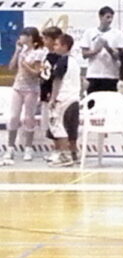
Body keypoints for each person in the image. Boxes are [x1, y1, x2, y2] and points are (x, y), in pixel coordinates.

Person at [2, 27, 46, 166]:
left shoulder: (38, 53)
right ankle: (10, 147)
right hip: (17, 87)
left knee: (28, 118)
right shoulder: (22, 51)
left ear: (31, 37)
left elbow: (37, 73)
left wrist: (26, 65)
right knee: (14, 117)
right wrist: (17, 52)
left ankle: (28, 148)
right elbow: (11, 67)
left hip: (31, 89)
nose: (21, 37)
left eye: (24, 35)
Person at [48, 34, 81, 168]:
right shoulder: (75, 62)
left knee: (59, 127)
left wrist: (53, 98)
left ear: (65, 46)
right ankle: (74, 154)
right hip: (74, 99)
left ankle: (65, 156)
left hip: (63, 99)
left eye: (56, 44)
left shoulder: (63, 61)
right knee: (71, 128)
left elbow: (57, 80)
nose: (54, 47)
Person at [80, 6, 123, 93]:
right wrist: (96, 50)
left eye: (111, 18)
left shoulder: (117, 34)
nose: (110, 20)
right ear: (100, 17)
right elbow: (84, 54)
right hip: (94, 74)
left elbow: (119, 56)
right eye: (107, 17)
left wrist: (108, 48)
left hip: (111, 75)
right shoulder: (89, 32)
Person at [38, 25, 63, 146]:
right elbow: (44, 75)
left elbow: (54, 78)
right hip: (45, 93)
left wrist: (52, 95)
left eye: (46, 39)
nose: (44, 41)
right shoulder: (47, 56)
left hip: (52, 95)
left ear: (54, 40)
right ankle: (55, 149)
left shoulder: (58, 58)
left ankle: (60, 150)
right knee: (48, 124)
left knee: (55, 123)